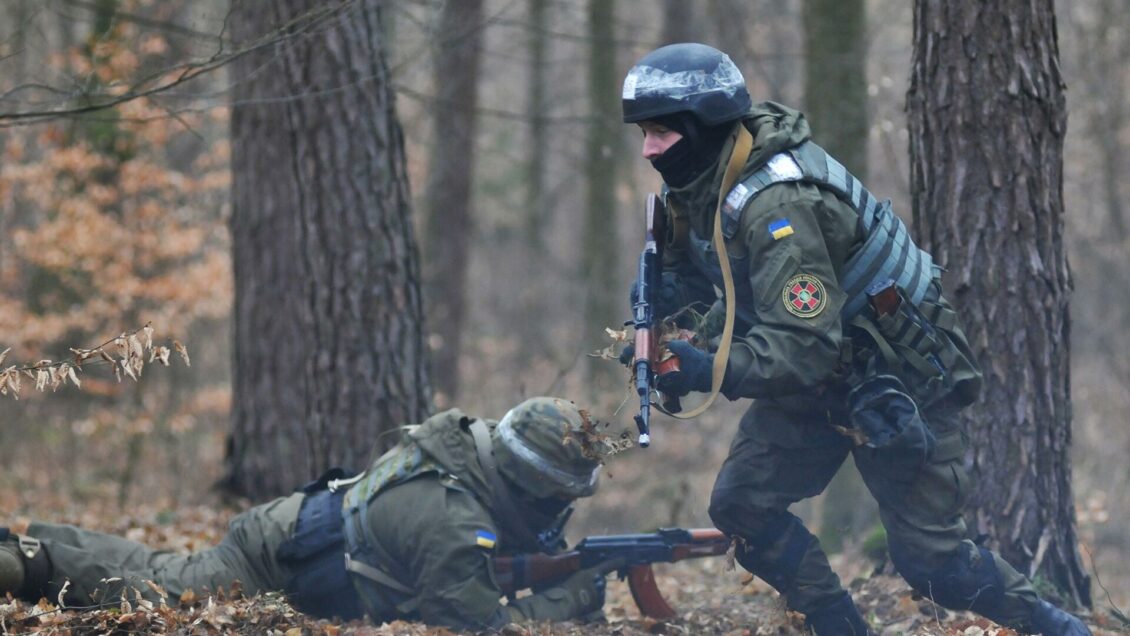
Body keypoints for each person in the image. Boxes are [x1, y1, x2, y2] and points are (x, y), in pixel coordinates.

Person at [619, 42, 1090, 636]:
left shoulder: (776, 204)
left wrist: (705, 367)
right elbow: (712, 290)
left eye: (661, 131)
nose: (649, 149)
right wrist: (656, 338)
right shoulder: (701, 188)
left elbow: (803, 346)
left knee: (934, 566)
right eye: (643, 132)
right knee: (743, 506)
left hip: (897, 381)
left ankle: (1063, 629)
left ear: (704, 122)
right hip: (815, 375)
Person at [0, 397, 618, 630]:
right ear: (527, 484)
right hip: (277, 560)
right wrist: (572, 599)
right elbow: (477, 626)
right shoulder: (453, 519)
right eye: (557, 496)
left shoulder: (467, 459)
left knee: (161, 568)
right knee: (153, 588)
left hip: (297, 531)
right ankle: (24, 566)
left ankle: (36, 543)